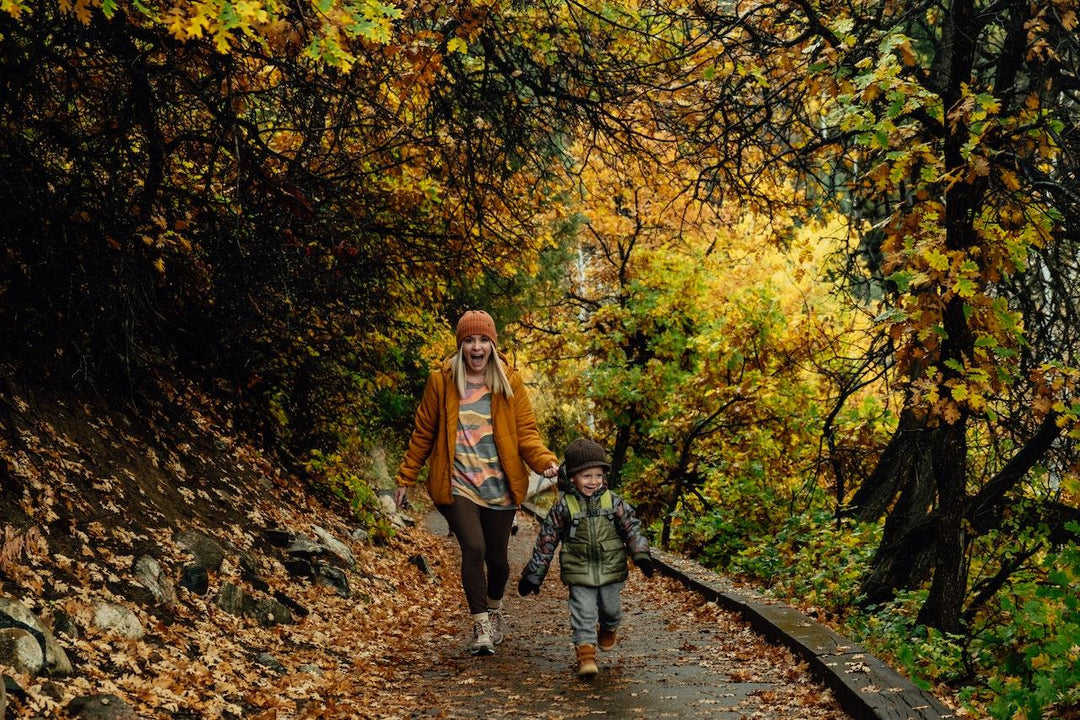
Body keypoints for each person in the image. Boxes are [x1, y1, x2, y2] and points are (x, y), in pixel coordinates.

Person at [394, 309, 559, 656]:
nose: (477, 346)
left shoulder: (508, 381)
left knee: (498, 562)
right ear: (460, 345)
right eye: (469, 340)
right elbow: (424, 432)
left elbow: (526, 434)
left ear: (493, 345)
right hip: (458, 484)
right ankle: (481, 625)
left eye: (483, 340)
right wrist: (406, 476)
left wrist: (544, 463)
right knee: (474, 548)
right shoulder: (441, 381)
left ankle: (495, 610)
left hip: (499, 487)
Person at [517, 437, 654, 677]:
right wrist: (534, 574)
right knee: (583, 612)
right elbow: (547, 540)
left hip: (611, 568)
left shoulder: (613, 502)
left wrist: (640, 554)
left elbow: (631, 527)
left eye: (598, 476)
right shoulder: (563, 507)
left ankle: (609, 627)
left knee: (611, 610)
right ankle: (586, 656)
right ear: (572, 477)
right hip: (578, 570)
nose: (594, 481)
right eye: (587, 476)